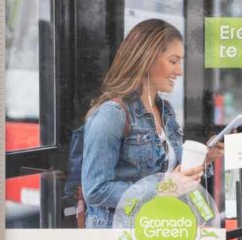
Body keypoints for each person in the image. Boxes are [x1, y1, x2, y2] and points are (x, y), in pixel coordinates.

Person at [81, 18, 221, 228]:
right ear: (147, 59)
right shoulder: (112, 115)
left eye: (180, 63)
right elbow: (95, 190)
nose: (179, 71)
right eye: (173, 61)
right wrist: (162, 188)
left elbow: (174, 175)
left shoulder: (165, 111)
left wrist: (205, 159)